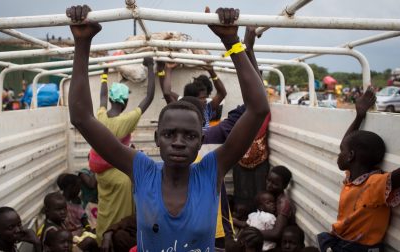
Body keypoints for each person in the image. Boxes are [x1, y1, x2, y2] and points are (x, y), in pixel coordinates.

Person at [67, 4, 269, 251]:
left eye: (190, 135)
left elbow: (258, 108)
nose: (179, 141)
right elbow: (82, 118)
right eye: (169, 134)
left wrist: (232, 41)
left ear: (200, 140)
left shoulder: (211, 171)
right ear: (156, 138)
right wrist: (82, 43)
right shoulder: (142, 170)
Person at [317, 87, 400, 252]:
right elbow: (346, 143)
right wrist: (359, 116)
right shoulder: (353, 176)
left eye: (342, 152)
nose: (339, 152)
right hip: (342, 241)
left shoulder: (374, 183)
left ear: (350, 157)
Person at [87, 58, 155, 243]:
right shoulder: (126, 120)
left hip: (101, 174)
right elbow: (149, 97)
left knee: (106, 207)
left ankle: (102, 240)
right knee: (122, 211)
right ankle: (117, 241)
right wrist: (151, 67)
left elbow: (101, 96)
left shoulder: (100, 116)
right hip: (119, 176)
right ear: (125, 102)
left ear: (110, 100)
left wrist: (104, 72)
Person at [232, 26, 271, 213]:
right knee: (242, 198)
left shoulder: (261, 108)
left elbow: (257, 87)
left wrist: (249, 49)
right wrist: (248, 49)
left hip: (259, 160)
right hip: (241, 159)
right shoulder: (250, 109)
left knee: (258, 197)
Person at [157, 54, 227, 130]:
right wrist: (168, 69)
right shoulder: (182, 112)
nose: (205, 100)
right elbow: (167, 93)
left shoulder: (207, 109)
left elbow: (222, 93)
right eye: (202, 98)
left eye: (205, 97)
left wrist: (211, 71)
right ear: (191, 99)